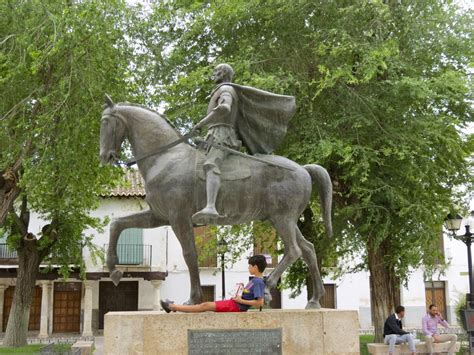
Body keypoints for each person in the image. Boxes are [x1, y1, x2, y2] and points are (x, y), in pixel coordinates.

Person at [191, 63, 296, 224]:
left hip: (222, 135)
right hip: (213, 135)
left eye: (217, 71)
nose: (214, 73)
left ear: (224, 73)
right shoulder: (221, 89)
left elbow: (225, 108)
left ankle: (211, 207)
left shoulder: (226, 89)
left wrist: (200, 123)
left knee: (211, 164)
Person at [160, 254, 267, 313]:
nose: (248, 268)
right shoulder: (254, 281)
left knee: (204, 306)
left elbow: (259, 303)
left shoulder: (258, 282)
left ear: (255, 267)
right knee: (204, 305)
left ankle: (172, 306)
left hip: (235, 306)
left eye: (249, 266)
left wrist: (240, 300)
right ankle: (173, 307)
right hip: (234, 304)